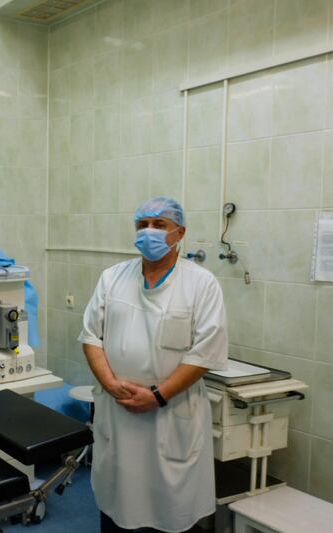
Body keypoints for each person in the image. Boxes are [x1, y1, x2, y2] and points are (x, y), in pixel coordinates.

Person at [79, 196, 228, 533]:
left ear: (180, 233)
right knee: (118, 503)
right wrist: (109, 384)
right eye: (142, 225)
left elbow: (205, 353)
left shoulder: (201, 284)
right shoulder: (113, 277)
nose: (149, 232)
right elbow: (91, 336)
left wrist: (158, 395)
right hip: (119, 411)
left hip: (169, 414)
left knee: (170, 508)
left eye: (159, 225)